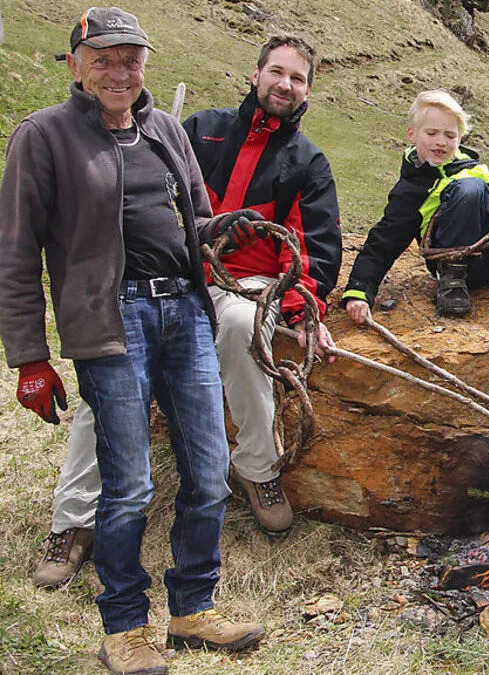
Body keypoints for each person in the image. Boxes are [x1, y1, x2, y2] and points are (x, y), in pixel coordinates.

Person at [0, 8, 265, 673]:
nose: (120, 72)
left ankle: (192, 607)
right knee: (129, 485)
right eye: (104, 58)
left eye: (132, 59)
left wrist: (223, 231)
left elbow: (197, 221)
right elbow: (15, 252)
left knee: (207, 470)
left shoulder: (165, 129)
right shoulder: (44, 136)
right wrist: (29, 356)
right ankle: (124, 624)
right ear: (75, 65)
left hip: (185, 313)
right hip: (110, 322)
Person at [30, 34, 343, 590]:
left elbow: (314, 248)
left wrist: (299, 306)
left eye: (296, 78)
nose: (284, 84)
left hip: (245, 283)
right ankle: (74, 521)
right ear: (255, 74)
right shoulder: (197, 129)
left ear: (308, 90)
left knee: (244, 330)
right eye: (276, 72)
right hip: (170, 275)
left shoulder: (308, 161)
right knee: (110, 370)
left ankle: (256, 469)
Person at [341, 89, 489, 320]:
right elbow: (383, 242)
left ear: (460, 139)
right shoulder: (411, 191)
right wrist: (359, 291)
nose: (441, 142)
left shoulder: (475, 167)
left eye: (450, 135)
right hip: (457, 272)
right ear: (412, 135)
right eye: (431, 133)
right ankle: (452, 280)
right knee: (470, 188)